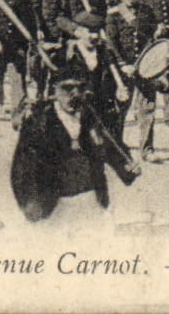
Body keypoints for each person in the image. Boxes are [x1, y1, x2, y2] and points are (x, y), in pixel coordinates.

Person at [10, 73, 139, 223]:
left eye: (80, 88)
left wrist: (126, 168)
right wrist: (30, 205)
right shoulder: (39, 122)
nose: (75, 94)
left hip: (92, 200)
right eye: (67, 88)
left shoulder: (91, 116)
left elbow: (111, 146)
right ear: (54, 89)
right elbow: (22, 168)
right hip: (53, 206)